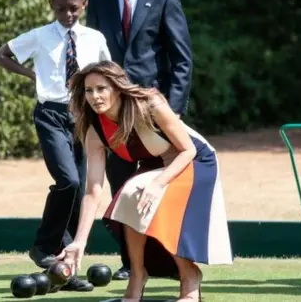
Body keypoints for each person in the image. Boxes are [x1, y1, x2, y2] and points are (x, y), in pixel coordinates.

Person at [57, 60, 232, 301]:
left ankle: (190, 277)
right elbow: (93, 190)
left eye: (101, 89)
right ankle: (137, 277)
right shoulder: (94, 129)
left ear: (117, 88)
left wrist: (158, 184)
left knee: (140, 195)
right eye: (89, 90)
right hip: (155, 165)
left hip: (195, 161)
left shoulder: (150, 103)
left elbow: (188, 150)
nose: (95, 96)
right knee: (129, 197)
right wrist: (79, 242)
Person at [0, 0, 111, 292]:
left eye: (73, 8)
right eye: (61, 9)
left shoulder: (94, 38)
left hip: (84, 117)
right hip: (50, 114)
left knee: (81, 190)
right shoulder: (41, 36)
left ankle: (65, 268)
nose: (67, 15)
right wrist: (32, 74)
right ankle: (43, 246)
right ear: (51, 6)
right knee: (67, 181)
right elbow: (0, 54)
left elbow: (107, 74)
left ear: (83, 5)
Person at [85, 0, 194, 280]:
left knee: (155, 188)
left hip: (153, 115)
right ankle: (130, 264)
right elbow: (94, 58)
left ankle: (172, 264)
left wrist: (171, 113)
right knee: (121, 188)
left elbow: (181, 60)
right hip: (113, 114)